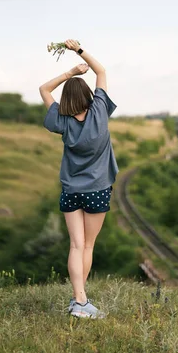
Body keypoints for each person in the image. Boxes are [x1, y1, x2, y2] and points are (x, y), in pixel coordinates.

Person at [39, 39, 119, 319]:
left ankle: (79, 300)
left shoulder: (61, 121)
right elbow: (102, 72)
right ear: (88, 95)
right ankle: (81, 302)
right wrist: (79, 51)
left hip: (70, 191)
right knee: (87, 246)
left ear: (66, 101)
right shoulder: (99, 112)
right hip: (97, 190)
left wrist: (69, 73)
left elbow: (43, 89)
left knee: (75, 245)